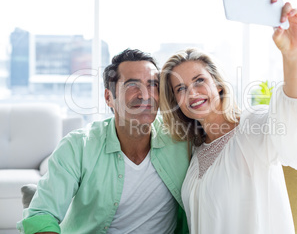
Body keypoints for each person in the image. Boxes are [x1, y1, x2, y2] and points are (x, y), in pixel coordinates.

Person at [159, 0, 297, 234]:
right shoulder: (196, 149)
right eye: (180, 88)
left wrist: (291, 56)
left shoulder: (252, 128)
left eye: (199, 80)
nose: (192, 93)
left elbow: (292, 124)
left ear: (218, 84)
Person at [17, 49, 189, 234]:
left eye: (153, 84)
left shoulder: (181, 138)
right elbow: (41, 215)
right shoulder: (78, 146)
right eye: (132, 85)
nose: (146, 95)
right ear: (109, 98)